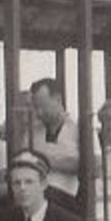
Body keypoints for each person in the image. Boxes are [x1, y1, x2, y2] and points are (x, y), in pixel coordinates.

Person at [28, 78, 80, 208]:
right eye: (36, 107)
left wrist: (47, 163)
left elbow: (91, 166)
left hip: (65, 196)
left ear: (58, 99)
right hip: (35, 190)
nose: (39, 113)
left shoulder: (79, 129)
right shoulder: (33, 131)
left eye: (43, 107)